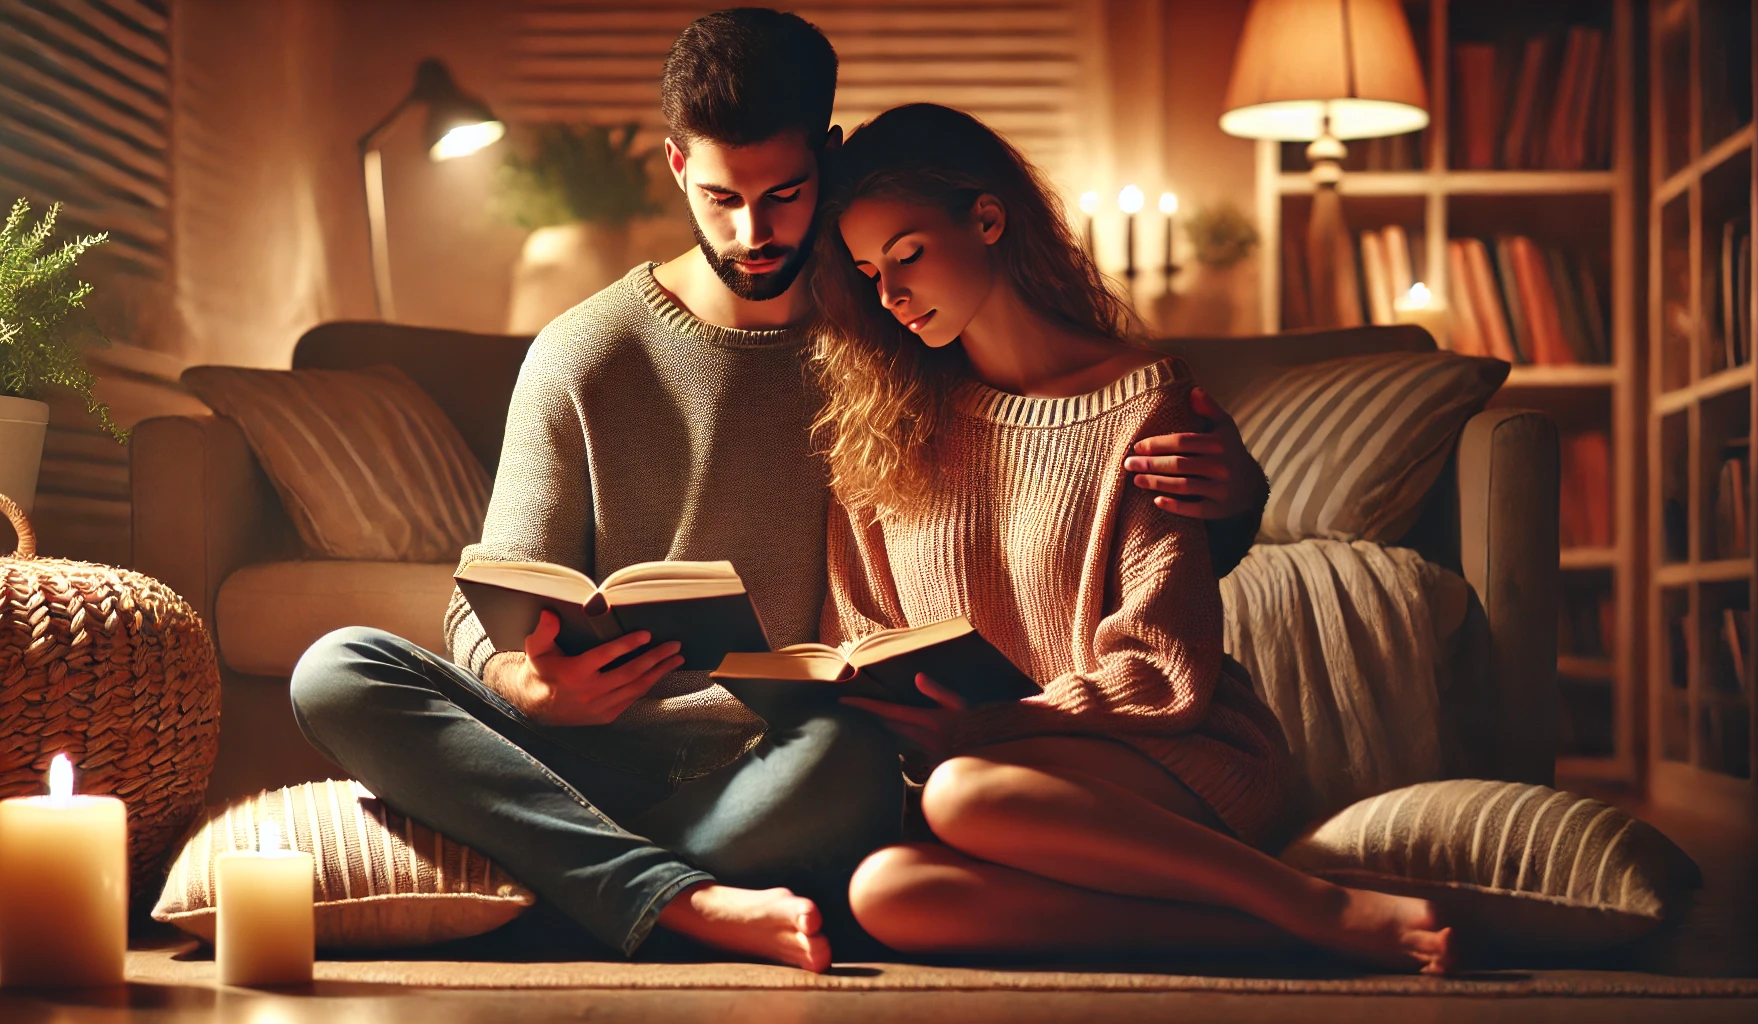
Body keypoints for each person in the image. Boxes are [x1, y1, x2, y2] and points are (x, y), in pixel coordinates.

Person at [289, 10, 1267, 972]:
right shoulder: (585, 353)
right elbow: (483, 601)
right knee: (338, 668)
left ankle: (577, 876)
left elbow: (1065, 487)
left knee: (853, 763)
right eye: (721, 198)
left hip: (781, 767)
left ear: (829, 159)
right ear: (677, 167)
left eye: (787, 195)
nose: (754, 232)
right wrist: (526, 685)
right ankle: (678, 897)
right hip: (583, 752)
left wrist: (1233, 496)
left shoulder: (896, 340)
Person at [811, 103, 1456, 975]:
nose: (889, 295)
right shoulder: (881, 432)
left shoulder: (1141, 401)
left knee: (965, 795)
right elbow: (864, 629)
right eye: (867, 271)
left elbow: (1164, 664)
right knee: (885, 891)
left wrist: (994, 727)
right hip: (990, 770)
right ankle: (1278, 940)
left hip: (1168, 753)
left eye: (908, 255)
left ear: (988, 220)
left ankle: (1316, 901)